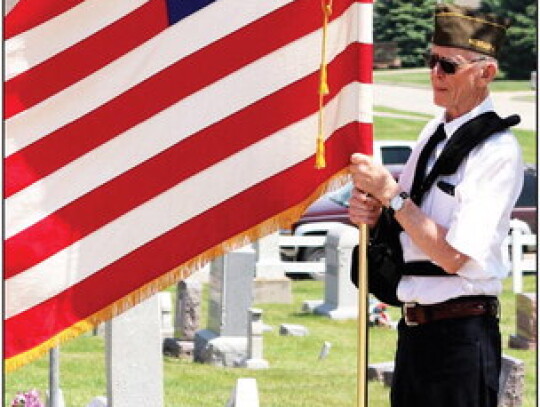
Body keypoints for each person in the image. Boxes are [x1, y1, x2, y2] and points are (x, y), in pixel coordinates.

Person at [348, 4, 524, 407]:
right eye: (431, 61)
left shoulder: (496, 150)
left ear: (486, 73)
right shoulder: (433, 133)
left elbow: (453, 256)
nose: (434, 74)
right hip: (415, 332)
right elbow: (406, 220)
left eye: (448, 65)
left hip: (461, 336)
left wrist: (391, 195)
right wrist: (374, 215)